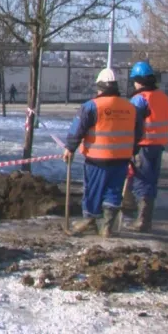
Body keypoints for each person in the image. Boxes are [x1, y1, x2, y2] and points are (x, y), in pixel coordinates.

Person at [62, 68, 142, 237]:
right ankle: (107, 226)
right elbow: (138, 132)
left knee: (93, 190)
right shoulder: (130, 108)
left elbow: (78, 129)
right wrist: (133, 150)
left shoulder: (91, 106)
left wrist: (70, 148)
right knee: (114, 191)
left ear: (99, 87)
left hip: (97, 159)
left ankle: (90, 221)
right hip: (122, 159)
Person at [124, 61, 168, 233]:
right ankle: (145, 218)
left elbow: (131, 122)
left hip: (143, 146)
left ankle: (142, 221)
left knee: (141, 181)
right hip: (157, 146)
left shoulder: (140, 99)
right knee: (150, 181)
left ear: (138, 80)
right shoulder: (162, 97)